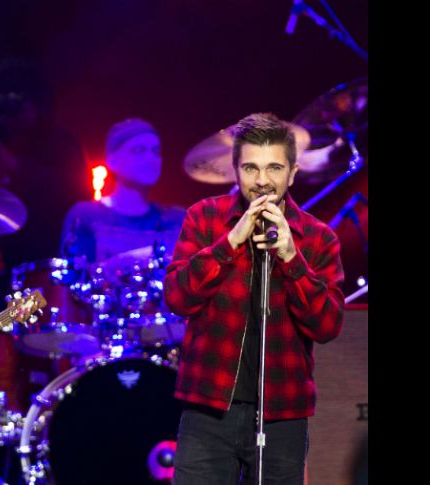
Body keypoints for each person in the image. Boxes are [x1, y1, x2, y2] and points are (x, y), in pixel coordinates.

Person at [164, 112, 345, 484]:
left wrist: (292, 259)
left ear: (293, 173)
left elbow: (328, 325)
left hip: (282, 413)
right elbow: (178, 298)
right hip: (207, 410)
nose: (262, 181)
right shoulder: (204, 218)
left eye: (274, 168)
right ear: (235, 170)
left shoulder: (318, 237)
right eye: (250, 168)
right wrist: (228, 243)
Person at [60, 118, 186, 266]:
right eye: (139, 151)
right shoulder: (85, 215)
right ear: (112, 160)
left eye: (156, 151)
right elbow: (71, 279)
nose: (151, 158)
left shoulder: (176, 218)